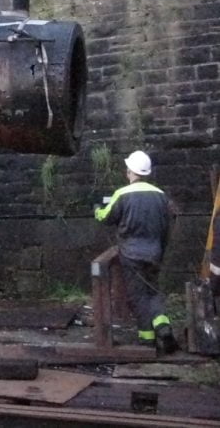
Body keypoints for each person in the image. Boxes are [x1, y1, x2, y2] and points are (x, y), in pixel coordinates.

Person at [94, 150, 178, 355]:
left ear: (130, 171)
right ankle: (162, 325)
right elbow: (168, 224)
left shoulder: (122, 194)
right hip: (154, 252)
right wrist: (161, 250)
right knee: (153, 290)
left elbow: (106, 217)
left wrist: (97, 208)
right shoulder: (160, 195)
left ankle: (147, 339)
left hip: (131, 254)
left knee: (138, 295)